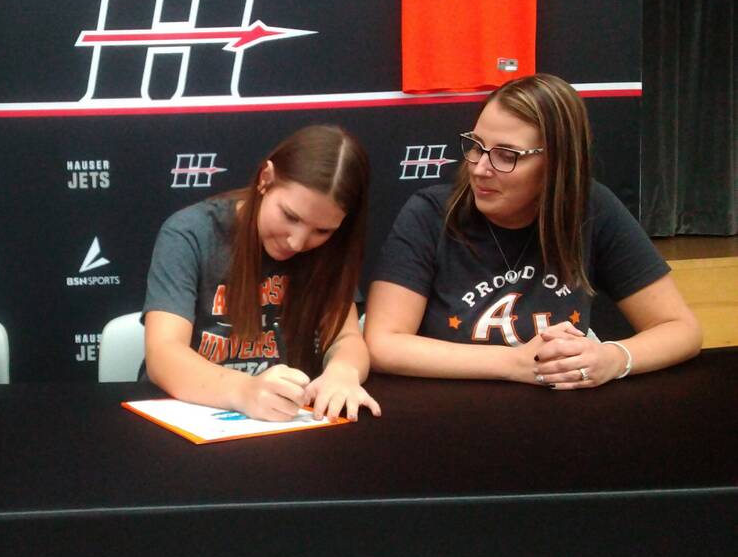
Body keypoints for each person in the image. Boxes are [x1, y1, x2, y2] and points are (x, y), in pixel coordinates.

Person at [365, 74, 701, 388]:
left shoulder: (592, 208)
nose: (480, 169)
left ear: (556, 164)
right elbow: (382, 344)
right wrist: (515, 363)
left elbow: (681, 329)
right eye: (477, 146)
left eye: (506, 155)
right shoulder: (430, 214)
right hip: (449, 409)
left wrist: (614, 358)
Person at [143, 124, 381, 422]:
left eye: (322, 230)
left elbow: (345, 337)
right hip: (188, 413)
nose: (297, 242)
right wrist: (244, 391)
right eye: (290, 216)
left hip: (286, 420)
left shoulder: (331, 251)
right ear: (265, 179)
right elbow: (163, 353)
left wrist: (343, 372)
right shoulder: (190, 233)